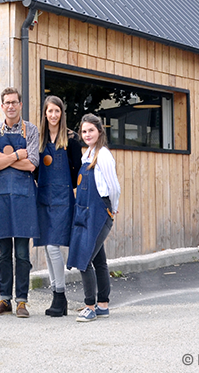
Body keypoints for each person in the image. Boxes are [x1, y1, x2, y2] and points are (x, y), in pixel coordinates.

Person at [0, 87, 39, 318]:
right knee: (4, 254)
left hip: (25, 198)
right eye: (7, 102)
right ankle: (4, 299)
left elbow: (32, 164)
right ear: (2, 105)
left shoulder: (32, 130)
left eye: (14, 102)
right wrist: (17, 155)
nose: (11, 106)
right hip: (1, 198)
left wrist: (1, 158)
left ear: (20, 104)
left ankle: (22, 301)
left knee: (23, 255)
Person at [67, 113, 121, 322]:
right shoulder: (86, 154)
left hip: (100, 211)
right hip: (84, 211)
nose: (87, 134)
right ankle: (103, 305)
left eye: (91, 130)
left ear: (99, 132)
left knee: (84, 257)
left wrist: (112, 208)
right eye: (84, 131)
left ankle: (90, 306)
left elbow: (114, 186)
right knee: (99, 259)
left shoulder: (103, 155)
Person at [34, 95, 82, 317]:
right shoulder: (38, 138)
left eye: (57, 111)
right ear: (44, 113)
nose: (53, 115)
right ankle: (57, 295)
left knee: (54, 246)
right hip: (43, 196)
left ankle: (60, 294)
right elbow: (34, 168)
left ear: (62, 114)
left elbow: (78, 171)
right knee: (46, 245)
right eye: (50, 111)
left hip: (62, 198)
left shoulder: (71, 139)